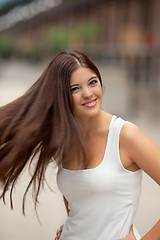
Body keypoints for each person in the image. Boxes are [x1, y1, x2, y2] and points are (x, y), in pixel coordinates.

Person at [0, 50, 159, 240]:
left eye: (92, 82)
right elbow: (78, 200)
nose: (88, 94)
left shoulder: (126, 136)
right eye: (74, 88)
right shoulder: (62, 141)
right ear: (61, 95)